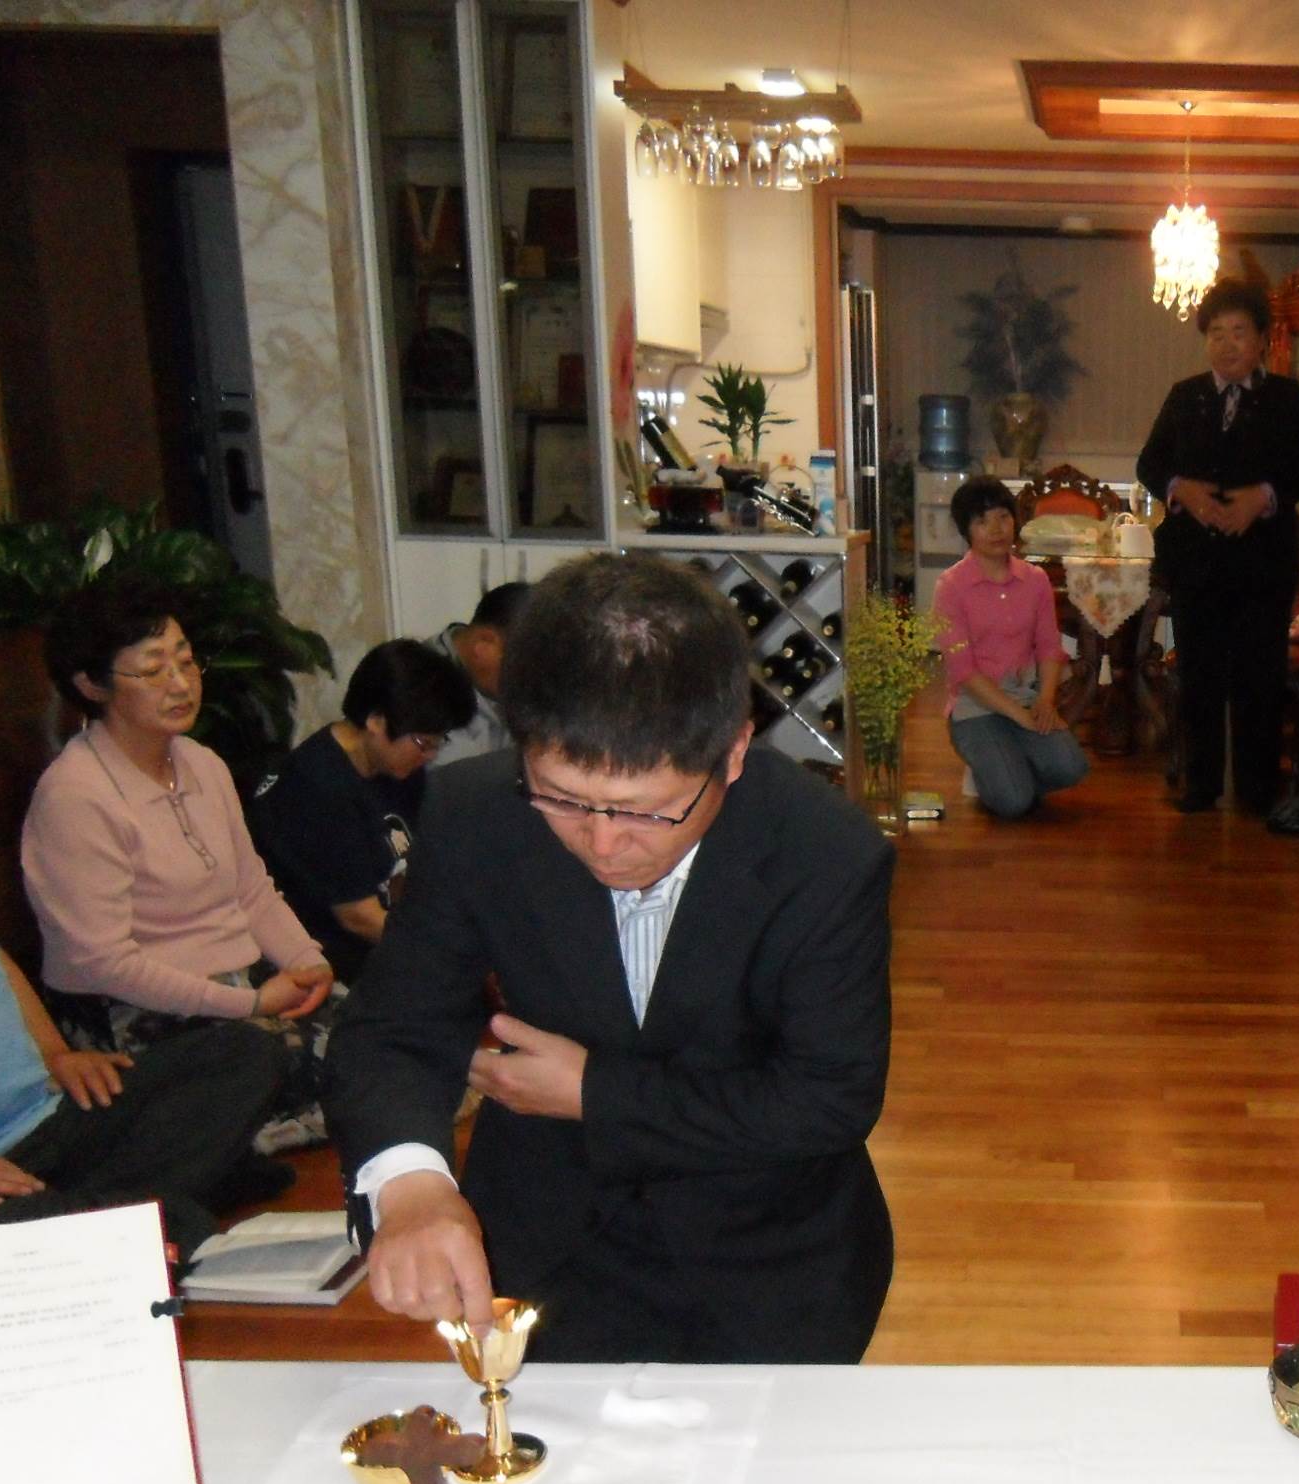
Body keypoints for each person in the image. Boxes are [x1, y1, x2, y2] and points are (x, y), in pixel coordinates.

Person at [327, 552, 896, 1364]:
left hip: (771, 1266)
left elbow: (827, 1098)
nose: (602, 844)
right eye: (561, 799)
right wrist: (411, 1186)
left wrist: (596, 1094)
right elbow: (393, 1029)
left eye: (646, 813)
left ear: (733, 751)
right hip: (548, 1254)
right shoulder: (474, 815)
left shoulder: (826, 854)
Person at [0, 606, 284, 1263]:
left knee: (244, 1056)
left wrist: (56, 1055)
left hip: (45, 1121)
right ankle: (133, 1217)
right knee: (164, 1212)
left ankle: (104, 1222)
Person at [20, 578, 334, 1147]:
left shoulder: (202, 764)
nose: (181, 684)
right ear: (92, 684)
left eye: (186, 662)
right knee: (311, 1072)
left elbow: (251, 890)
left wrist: (307, 961)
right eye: (153, 670)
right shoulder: (75, 795)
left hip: (238, 989)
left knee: (386, 1035)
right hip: (133, 1011)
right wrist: (248, 1003)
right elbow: (105, 963)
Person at [1135, 277, 1299, 814]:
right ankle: (1200, 785)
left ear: (1262, 339)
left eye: (1238, 332)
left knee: (1258, 677)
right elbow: (1150, 463)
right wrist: (1183, 489)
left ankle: (1256, 790)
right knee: (1198, 675)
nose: (1226, 345)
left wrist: (1263, 497)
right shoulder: (1186, 396)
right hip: (1195, 563)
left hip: (1262, 564)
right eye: (1216, 334)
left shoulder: (1286, 399)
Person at [249, 638, 476, 980]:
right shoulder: (317, 787)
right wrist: (446, 955)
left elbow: (422, 863)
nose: (430, 756)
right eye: (423, 743)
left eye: (437, 743)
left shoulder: (397, 768)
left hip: (387, 935)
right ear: (376, 720)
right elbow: (359, 917)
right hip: (324, 956)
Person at [934, 476, 1089, 819]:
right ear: (966, 530)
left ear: (1015, 521)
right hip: (975, 706)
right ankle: (994, 771)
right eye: (982, 521)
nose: (996, 529)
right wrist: (1021, 718)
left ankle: (1005, 766)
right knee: (1015, 802)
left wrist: (1045, 702)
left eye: (1003, 517)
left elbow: (1049, 647)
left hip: (1024, 694)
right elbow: (963, 671)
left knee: (1072, 768)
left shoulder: (1035, 579)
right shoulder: (950, 586)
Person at [426, 581, 527, 766]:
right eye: (521, 665)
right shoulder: (423, 687)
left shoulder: (488, 682)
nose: (527, 680)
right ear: (484, 644)